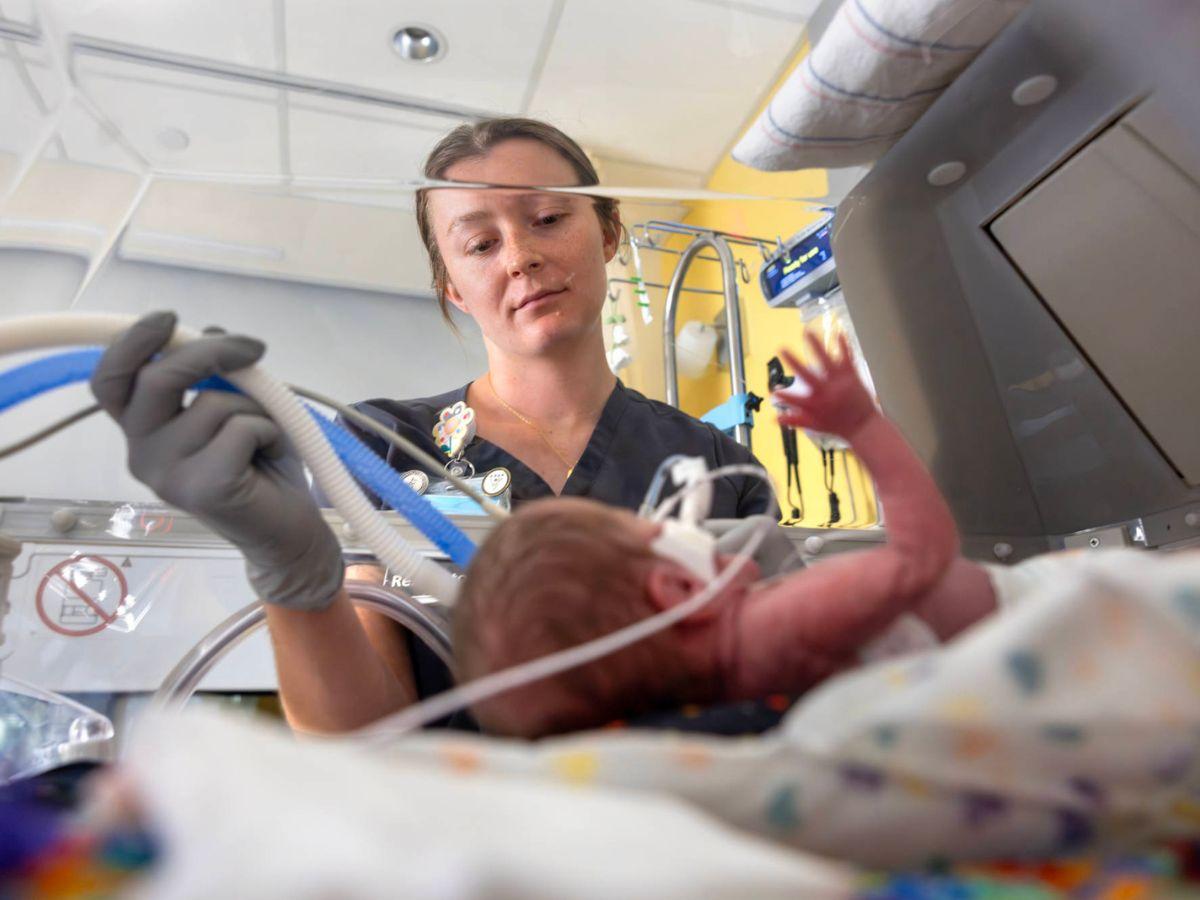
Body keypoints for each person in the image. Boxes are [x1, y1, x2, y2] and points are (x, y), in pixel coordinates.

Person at [89, 117, 775, 735]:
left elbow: (779, 683)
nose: (518, 257)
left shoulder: (710, 461)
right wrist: (292, 576)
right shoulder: (381, 447)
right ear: (451, 286)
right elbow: (362, 739)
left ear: (607, 230)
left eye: (545, 218)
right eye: (479, 243)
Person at [453, 335, 1001, 737]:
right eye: (663, 528)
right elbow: (923, 555)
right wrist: (862, 427)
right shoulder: (776, 623)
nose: (700, 530)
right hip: (1014, 622)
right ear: (678, 591)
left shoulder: (733, 689)